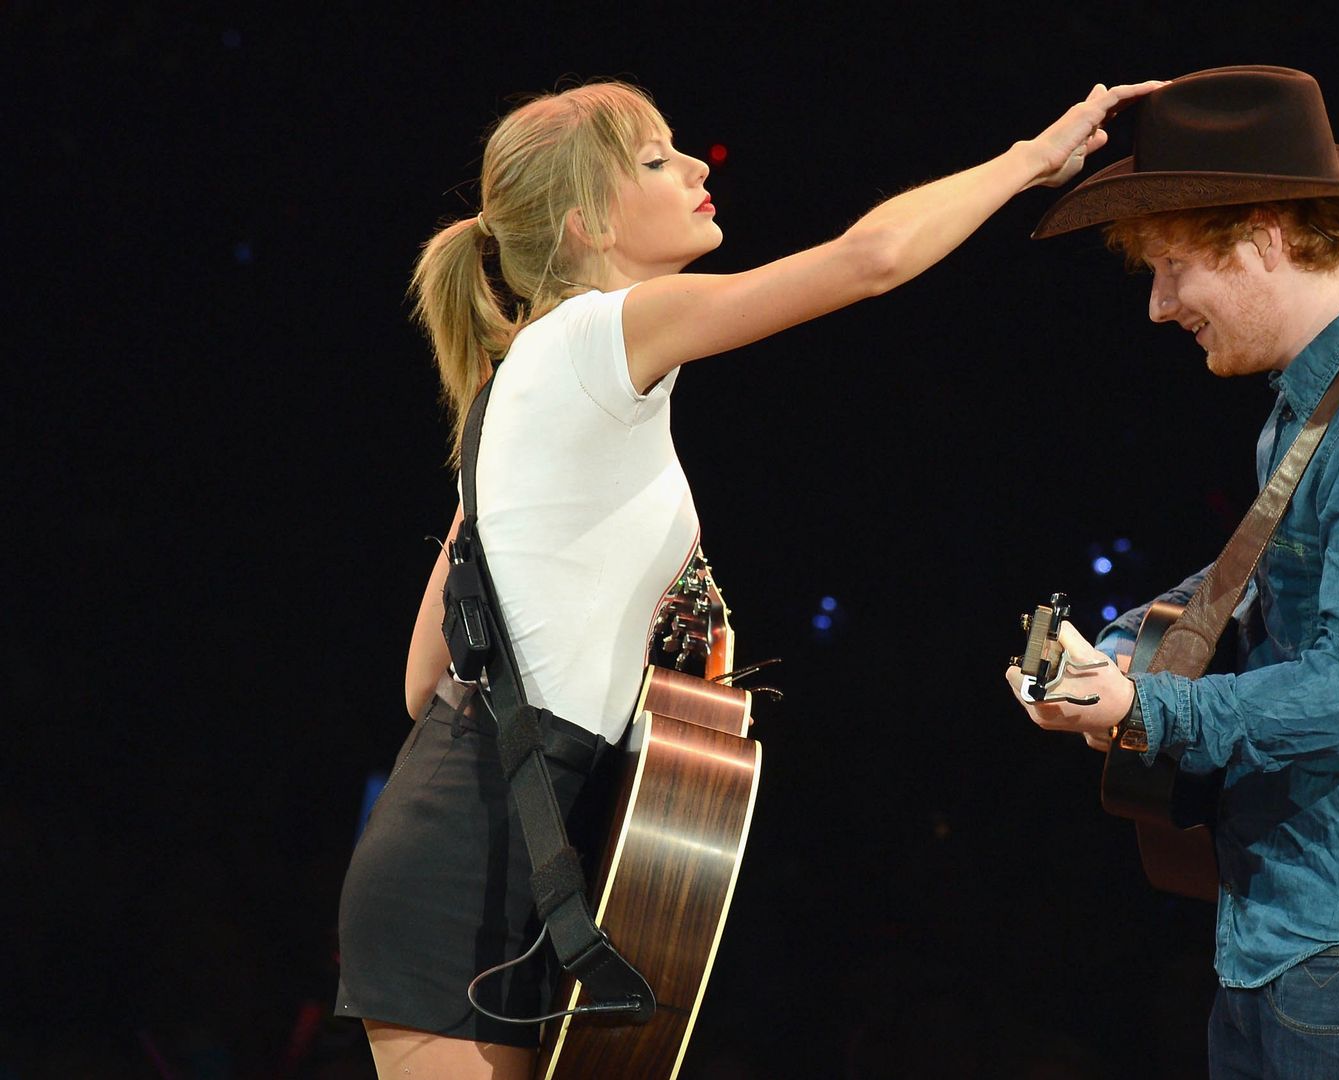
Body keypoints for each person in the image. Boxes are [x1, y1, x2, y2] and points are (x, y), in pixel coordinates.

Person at [336, 75, 1161, 1079]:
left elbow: (429, 682)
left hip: (493, 843)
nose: (694, 168)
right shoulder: (603, 334)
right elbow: (871, 261)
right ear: (585, 222)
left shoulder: (527, 385)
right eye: (655, 159)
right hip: (471, 866)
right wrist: (1032, 158)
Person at [1005, 67, 1339, 1079]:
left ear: (1265, 235)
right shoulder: (1326, 393)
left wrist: (1150, 711)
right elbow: (1262, 565)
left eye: (1172, 267)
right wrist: (1112, 651)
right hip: (1307, 936)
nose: (1158, 306)